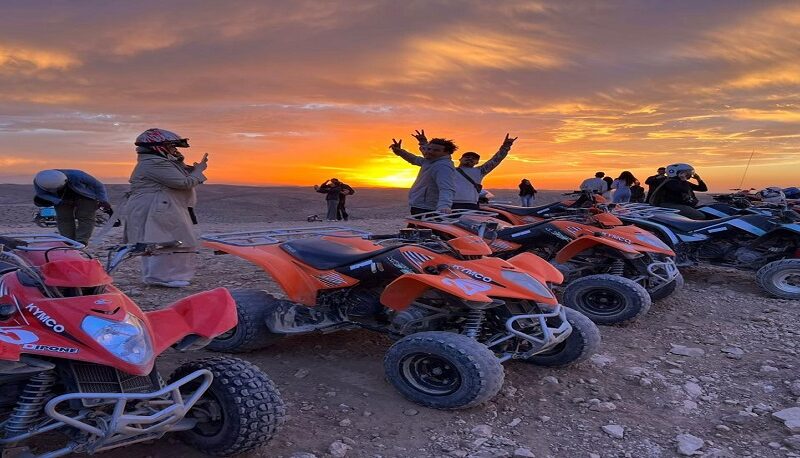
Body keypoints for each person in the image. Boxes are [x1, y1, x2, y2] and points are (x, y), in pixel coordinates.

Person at [123, 128, 208, 288]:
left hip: (159, 205)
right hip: (157, 206)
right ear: (158, 147)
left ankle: (159, 276)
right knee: (169, 240)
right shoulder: (155, 163)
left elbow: (180, 177)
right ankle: (167, 277)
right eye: (171, 147)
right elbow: (183, 183)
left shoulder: (156, 162)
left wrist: (188, 168)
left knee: (161, 240)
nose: (174, 150)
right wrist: (198, 171)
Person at [418, 131, 515, 210]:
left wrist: (505, 147)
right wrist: (423, 142)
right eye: (467, 157)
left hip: (471, 205)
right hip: (451, 204)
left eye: (474, 158)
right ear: (460, 159)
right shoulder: (448, 169)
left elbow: (496, 160)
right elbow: (431, 155)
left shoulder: (480, 171)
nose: (470, 159)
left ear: (477, 162)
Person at [33, 169, 112, 245]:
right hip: (60, 198)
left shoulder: (77, 175)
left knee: (85, 217)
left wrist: (103, 200)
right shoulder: (39, 181)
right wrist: (58, 201)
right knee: (63, 218)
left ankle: (81, 241)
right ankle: (67, 240)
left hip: (85, 196)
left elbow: (98, 186)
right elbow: (42, 194)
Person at [390, 130, 456, 215]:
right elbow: (415, 159)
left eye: (436, 150)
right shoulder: (430, 161)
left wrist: (444, 206)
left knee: (421, 228)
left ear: (446, 152)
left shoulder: (443, 166)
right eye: (429, 149)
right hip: (421, 205)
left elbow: (446, 188)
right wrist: (400, 152)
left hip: (429, 208)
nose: (430, 152)